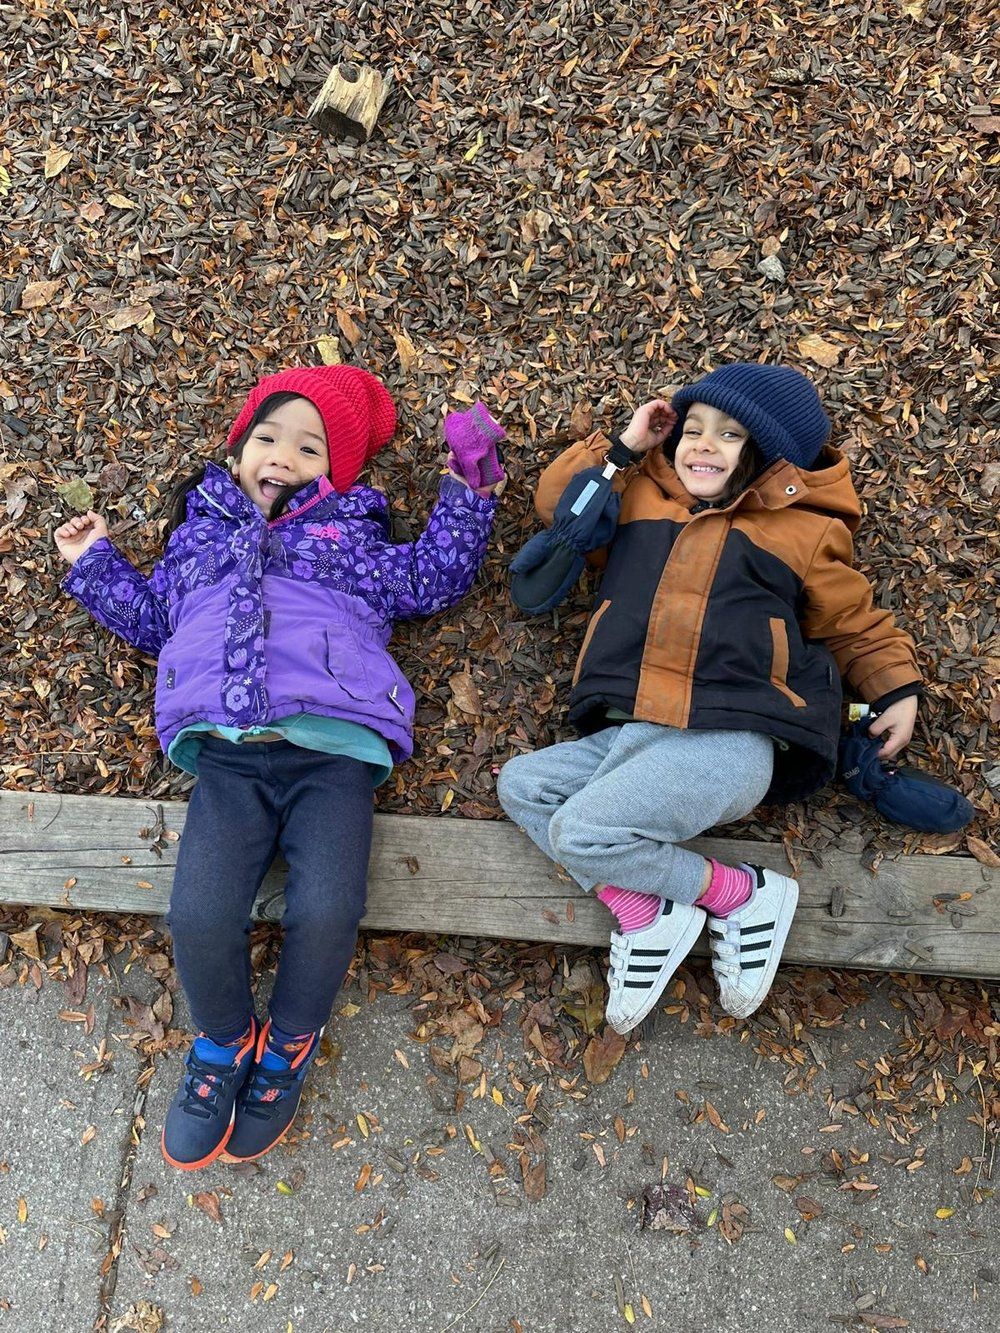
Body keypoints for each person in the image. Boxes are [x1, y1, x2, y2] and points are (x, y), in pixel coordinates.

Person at [55, 365, 505, 1168]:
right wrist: (95, 561)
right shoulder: (197, 539)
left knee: (328, 910)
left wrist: (468, 482)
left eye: (308, 448)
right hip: (229, 760)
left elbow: (433, 576)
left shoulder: (351, 538)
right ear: (236, 452)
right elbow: (157, 620)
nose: (282, 456)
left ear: (336, 475)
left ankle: (291, 1040)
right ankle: (224, 1045)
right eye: (267, 438)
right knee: (197, 914)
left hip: (332, 755)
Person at [498, 363, 920, 1034]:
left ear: (765, 456)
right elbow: (558, 503)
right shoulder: (641, 497)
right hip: (637, 730)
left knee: (581, 830)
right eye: (692, 430)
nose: (701, 445)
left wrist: (894, 685)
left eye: (727, 436)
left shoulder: (802, 531)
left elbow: (849, 619)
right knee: (522, 786)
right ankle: (649, 911)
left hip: (732, 736)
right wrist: (625, 447)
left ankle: (744, 896)